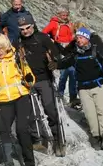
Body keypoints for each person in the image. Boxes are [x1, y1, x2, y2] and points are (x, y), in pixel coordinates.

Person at [0, 34, 36, 166]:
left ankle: (30, 163)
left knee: (21, 129)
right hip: (3, 99)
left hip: (21, 96)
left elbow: (30, 77)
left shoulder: (16, 58)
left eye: (0, 48)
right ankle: (8, 163)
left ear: (6, 46)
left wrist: (29, 78)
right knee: (3, 130)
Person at [58, 28, 103, 149]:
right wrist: (53, 64)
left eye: (81, 38)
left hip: (98, 85)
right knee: (90, 114)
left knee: (102, 111)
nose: (79, 40)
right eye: (77, 38)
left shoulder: (96, 50)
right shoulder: (75, 54)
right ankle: (96, 136)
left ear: (87, 38)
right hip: (83, 88)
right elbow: (63, 63)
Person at [17, 15, 66, 157]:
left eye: (27, 28)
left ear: (33, 25)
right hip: (28, 82)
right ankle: (38, 140)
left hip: (44, 79)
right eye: (22, 29)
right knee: (31, 114)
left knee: (50, 110)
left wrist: (55, 62)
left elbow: (56, 53)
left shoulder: (43, 37)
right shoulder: (18, 42)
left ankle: (58, 140)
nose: (25, 31)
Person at [42, 8, 79, 108]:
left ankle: (73, 98)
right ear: (58, 14)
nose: (65, 17)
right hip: (59, 49)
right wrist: (50, 41)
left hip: (70, 49)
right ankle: (60, 95)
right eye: (63, 15)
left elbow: (74, 34)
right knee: (64, 73)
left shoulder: (70, 24)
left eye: (66, 15)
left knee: (72, 73)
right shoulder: (54, 23)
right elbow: (43, 33)